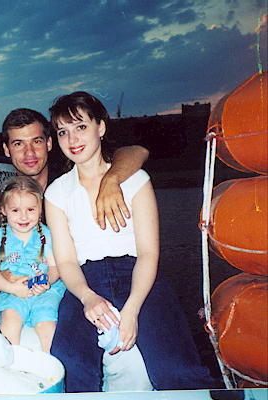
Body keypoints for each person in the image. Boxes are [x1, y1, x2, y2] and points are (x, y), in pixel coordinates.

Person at [44, 91, 214, 392]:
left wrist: (132, 310)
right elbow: (67, 260)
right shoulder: (57, 193)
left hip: (138, 273)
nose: (72, 139)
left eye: (81, 126)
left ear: (100, 127)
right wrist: (87, 297)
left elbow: (148, 253)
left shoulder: (136, 180)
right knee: (70, 362)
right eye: (63, 132)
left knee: (175, 369)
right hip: (86, 278)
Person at [0, 108, 149, 231]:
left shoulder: (69, 179)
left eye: (37, 141)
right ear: (6, 150)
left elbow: (137, 151)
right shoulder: (2, 204)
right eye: (18, 144)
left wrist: (111, 179)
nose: (29, 152)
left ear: (49, 143)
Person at [0, 176, 65, 352]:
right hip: (13, 290)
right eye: (15, 210)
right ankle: (13, 363)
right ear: (3, 210)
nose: (24, 216)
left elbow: (55, 267)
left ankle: (49, 364)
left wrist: (46, 281)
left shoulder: (47, 235)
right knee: (9, 320)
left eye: (30, 209)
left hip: (45, 291)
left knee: (46, 322)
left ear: (40, 208)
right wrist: (12, 288)